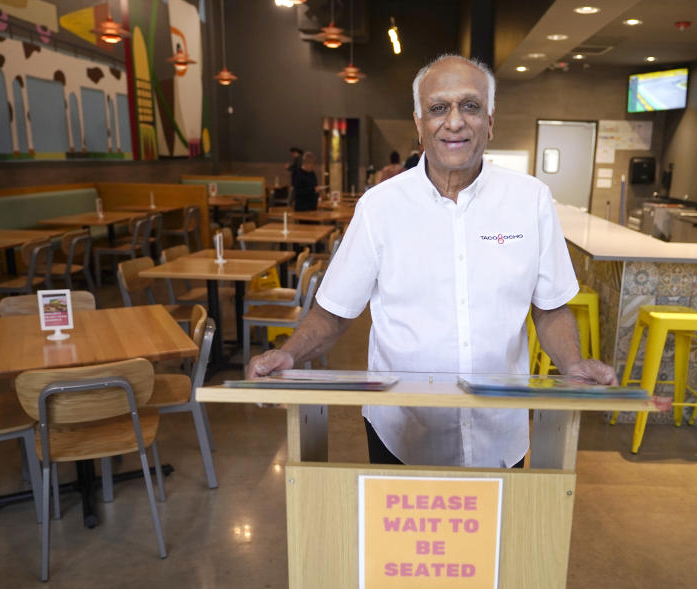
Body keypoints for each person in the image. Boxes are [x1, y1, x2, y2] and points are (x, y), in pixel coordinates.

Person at [246, 54, 617, 469]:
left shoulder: (530, 201)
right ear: (420, 124)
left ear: (490, 122)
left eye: (470, 106)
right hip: (402, 434)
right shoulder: (379, 207)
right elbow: (334, 313)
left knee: (494, 536)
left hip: (500, 434)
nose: (454, 121)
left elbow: (550, 308)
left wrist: (572, 363)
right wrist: (290, 353)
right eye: (439, 108)